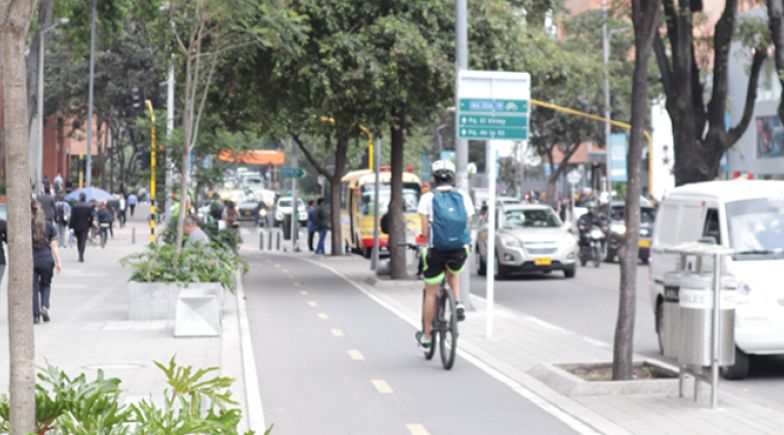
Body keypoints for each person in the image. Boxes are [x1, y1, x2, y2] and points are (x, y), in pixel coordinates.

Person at [415, 160, 474, 349]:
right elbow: (467, 224)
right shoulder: (462, 196)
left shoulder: (427, 198)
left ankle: (426, 337)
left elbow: (424, 232)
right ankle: (457, 303)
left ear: (433, 178)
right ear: (451, 176)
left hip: (436, 250)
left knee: (431, 293)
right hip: (459, 249)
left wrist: (424, 238)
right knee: (453, 272)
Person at [31, 199, 62, 324]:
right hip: (47, 259)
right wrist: (58, 262)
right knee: (46, 284)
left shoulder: (28, 225)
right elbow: (54, 246)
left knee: (34, 287)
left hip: (32, 260)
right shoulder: (49, 225)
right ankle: (44, 306)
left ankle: (35, 315)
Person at [69, 193, 93, 262]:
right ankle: (81, 254)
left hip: (77, 225)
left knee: (79, 240)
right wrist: (90, 224)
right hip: (85, 225)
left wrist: (71, 225)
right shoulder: (88, 206)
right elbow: (91, 217)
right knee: (83, 240)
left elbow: (72, 217)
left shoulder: (75, 206)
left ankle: (80, 252)